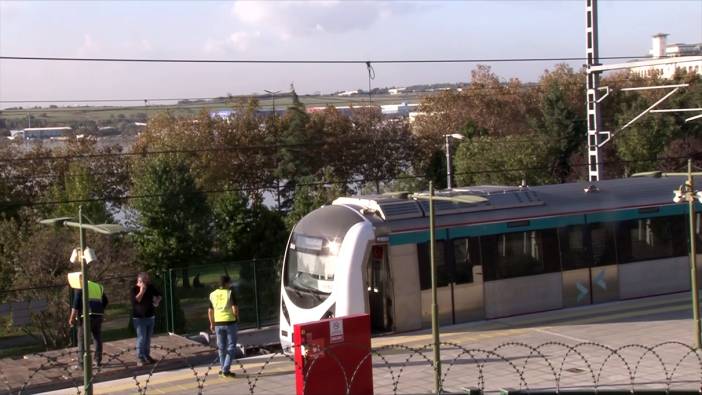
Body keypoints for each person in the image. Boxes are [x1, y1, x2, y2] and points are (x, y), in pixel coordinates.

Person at [68, 278, 108, 369]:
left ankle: (82, 363)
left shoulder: (80, 287)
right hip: (98, 315)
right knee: (97, 337)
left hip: (86, 317)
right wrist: (100, 310)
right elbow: (105, 301)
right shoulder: (97, 286)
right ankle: (97, 360)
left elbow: (75, 304)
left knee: (81, 339)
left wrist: (71, 318)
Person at [208, 275, 239, 378]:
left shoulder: (212, 294)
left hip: (218, 323)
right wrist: (237, 317)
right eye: (229, 283)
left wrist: (212, 323)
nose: (230, 285)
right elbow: (234, 309)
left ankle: (223, 370)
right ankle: (225, 369)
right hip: (230, 322)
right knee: (231, 346)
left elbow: (210, 311)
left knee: (221, 348)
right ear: (226, 283)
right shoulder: (230, 293)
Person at [131, 272, 162, 366]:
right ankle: (140, 357)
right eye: (144, 280)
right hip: (139, 318)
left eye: (147, 280)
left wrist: (157, 300)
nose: (146, 282)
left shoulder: (150, 287)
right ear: (139, 280)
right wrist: (142, 291)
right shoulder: (134, 289)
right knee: (141, 338)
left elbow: (159, 295)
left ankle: (147, 355)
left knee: (148, 338)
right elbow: (135, 301)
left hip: (150, 316)